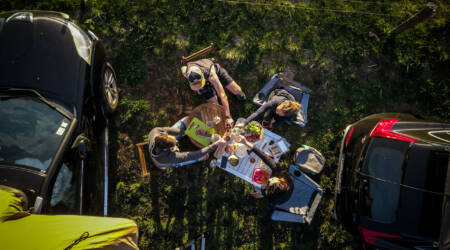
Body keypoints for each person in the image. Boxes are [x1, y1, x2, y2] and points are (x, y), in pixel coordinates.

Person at [181, 58, 246, 127]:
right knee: (215, 105)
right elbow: (183, 68)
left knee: (237, 90)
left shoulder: (211, 74)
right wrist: (198, 89)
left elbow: (222, 95)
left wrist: (228, 116)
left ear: (202, 75)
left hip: (216, 72)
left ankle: (240, 95)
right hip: (204, 80)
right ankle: (224, 120)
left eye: (199, 84)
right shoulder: (187, 72)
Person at [148, 117, 225, 170]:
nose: (177, 141)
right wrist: (216, 144)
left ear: (164, 134)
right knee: (204, 156)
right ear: (166, 149)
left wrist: (184, 132)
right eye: (175, 143)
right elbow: (194, 155)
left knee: (186, 120)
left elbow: (174, 131)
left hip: (161, 148)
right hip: (163, 163)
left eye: (175, 140)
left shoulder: (156, 131)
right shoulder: (170, 157)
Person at [239, 136, 294, 203]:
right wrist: (246, 143)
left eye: (269, 183)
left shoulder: (271, 197)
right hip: (284, 183)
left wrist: (262, 194)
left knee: (259, 189)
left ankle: (261, 193)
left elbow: (267, 194)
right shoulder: (282, 174)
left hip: (275, 197)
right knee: (270, 160)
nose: (269, 179)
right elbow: (266, 158)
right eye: (272, 180)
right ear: (280, 179)